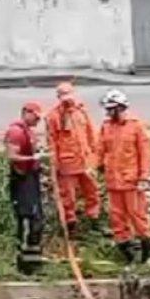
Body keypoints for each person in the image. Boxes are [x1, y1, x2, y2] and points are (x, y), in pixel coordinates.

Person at [96, 89, 150, 265]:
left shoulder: (136, 126)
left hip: (131, 182)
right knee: (117, 219)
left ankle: (147, 254)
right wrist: (96, 166)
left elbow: (145, 153)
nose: (107, 113)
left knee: (138, 217)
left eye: (110, 109)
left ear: (119, 108)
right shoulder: (106, 126)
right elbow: (100, 149)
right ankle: (127, 255)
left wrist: (144, 177)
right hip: (113, 182)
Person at [46, 82, 100, 235]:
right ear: (58, 97)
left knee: (92, 191)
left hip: (86, 161)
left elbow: (91, 135)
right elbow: (52, 141)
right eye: (63, 96)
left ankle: (93, 220)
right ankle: (70, 225)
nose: (67, 99)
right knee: (68, 196)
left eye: (69, 95)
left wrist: (95, 156)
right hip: (67, 163)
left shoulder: (81, 112)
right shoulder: (53, 116)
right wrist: (54, 163)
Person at [6, 101, 45, 274]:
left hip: (31, 176)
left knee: (36, 216)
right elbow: (12, 156)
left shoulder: (29, 131)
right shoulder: (15, 132)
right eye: (35, 117)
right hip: (22, 179)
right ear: (26, 113)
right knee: (27, 216)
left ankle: (34, 253)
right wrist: (34, 158)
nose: (37, 121)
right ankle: (25, 260)